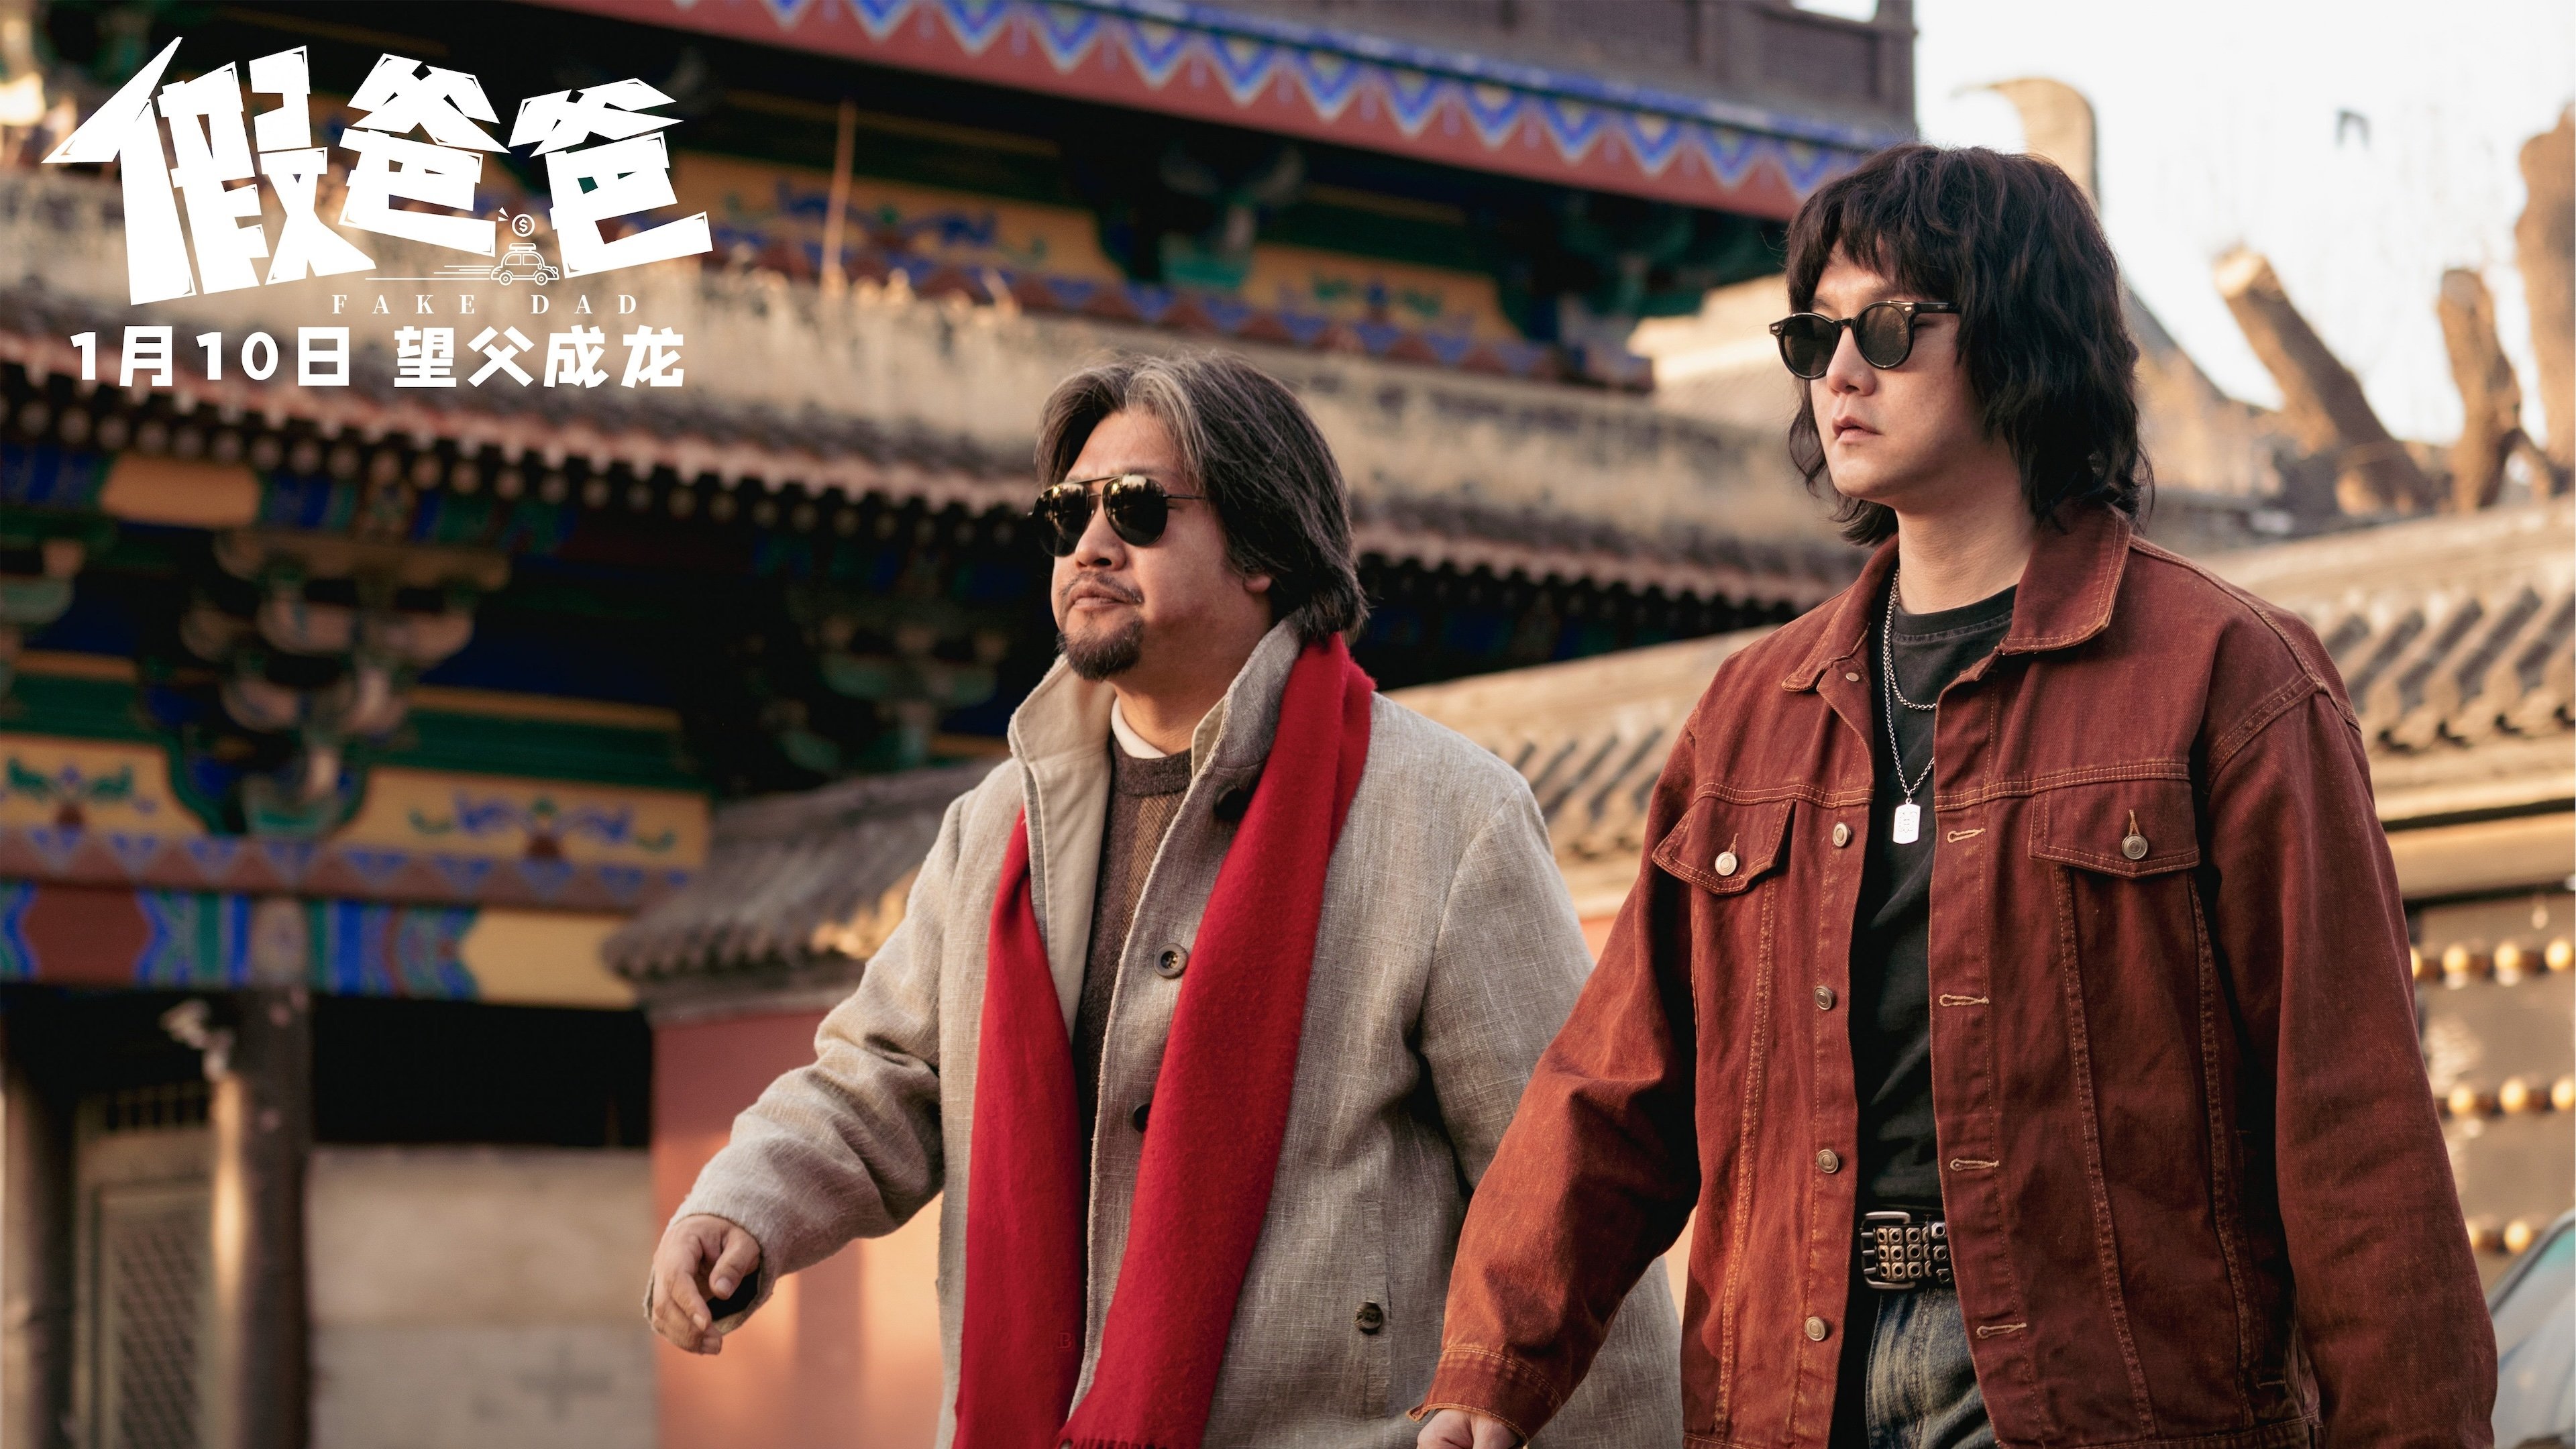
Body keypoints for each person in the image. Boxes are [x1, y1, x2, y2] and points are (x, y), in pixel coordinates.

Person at [1415, 144, 2496, 1449]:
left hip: (2098, 1395)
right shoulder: (1754, 714)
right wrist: (1493, 1367)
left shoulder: (2227, 677)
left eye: (1887, 327)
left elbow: (2351, 1119)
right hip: (1794, 1386)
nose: (1841, 374)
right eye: (1812, 338)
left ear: (2024, 339)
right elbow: (1617, 1083)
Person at [646, 352, 1682, 1448]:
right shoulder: (997, 826)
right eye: (1067, 513)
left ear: (1265, 551)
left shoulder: (1443, 815)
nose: (1091, 545)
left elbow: (1560, 1191)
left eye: (1137, 508)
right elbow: (886, 1075)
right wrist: (745, 1199)